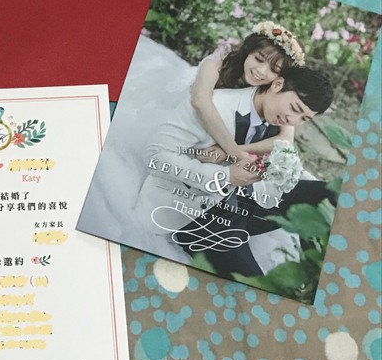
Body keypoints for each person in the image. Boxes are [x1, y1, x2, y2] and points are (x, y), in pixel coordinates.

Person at [130, 66, 334, 270]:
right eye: (295, 109)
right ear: (277, 85)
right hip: (197, 213)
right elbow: (155, 154)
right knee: (255, 282)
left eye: (304, 119)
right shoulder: (216, 105)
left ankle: (315, 268)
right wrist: (225, 175)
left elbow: (283, 157)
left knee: (332, 192)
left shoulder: (277, 118)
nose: (293, 120)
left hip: (250, 201)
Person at [189, 21, 306, 169]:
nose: (261, 71)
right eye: (259, 59)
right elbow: (200, 102)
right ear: (248, 51)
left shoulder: (273, 88)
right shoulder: (217, 63)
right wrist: (235, 152)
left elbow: (286, 140)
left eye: (274, 69)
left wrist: (230, 151)